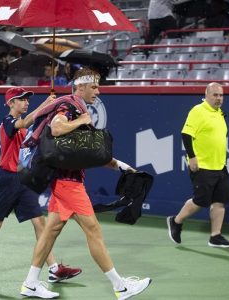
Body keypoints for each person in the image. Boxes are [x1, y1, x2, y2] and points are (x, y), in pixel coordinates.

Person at [20, 68, 152, 299]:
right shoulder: (71, 106)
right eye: (94, 87)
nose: (98, 92)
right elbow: (57, 127)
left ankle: (30, 284)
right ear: (80, 86)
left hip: (63, 182)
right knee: (94, 230)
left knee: (51, 231)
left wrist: (122, 166)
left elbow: (89, 154)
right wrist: (82, 119)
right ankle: (120, 287)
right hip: (68, 184)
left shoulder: (76, 106)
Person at [0, 87, 82, 284]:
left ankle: (53, 269)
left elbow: (26, 128)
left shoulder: (22, 127)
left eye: (27, 99)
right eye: (21, 99)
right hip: (8, 180)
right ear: (10, 103)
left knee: (40, 223)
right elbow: (25, 121)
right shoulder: (9, 121)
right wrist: (48, 106)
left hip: (23, 180)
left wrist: (48, 104)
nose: (26, 102)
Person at [167, 82, 229, 248]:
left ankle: (215, 236)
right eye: (215, 95)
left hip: (220, 165)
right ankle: (176, 221)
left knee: (219, 201)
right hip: (202, 166)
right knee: (200, 201)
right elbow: (186, 134)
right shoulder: (198, 111)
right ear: (207, 95)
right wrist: (192, 157)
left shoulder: (220, 113)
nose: (218, 98)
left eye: (221, 95)